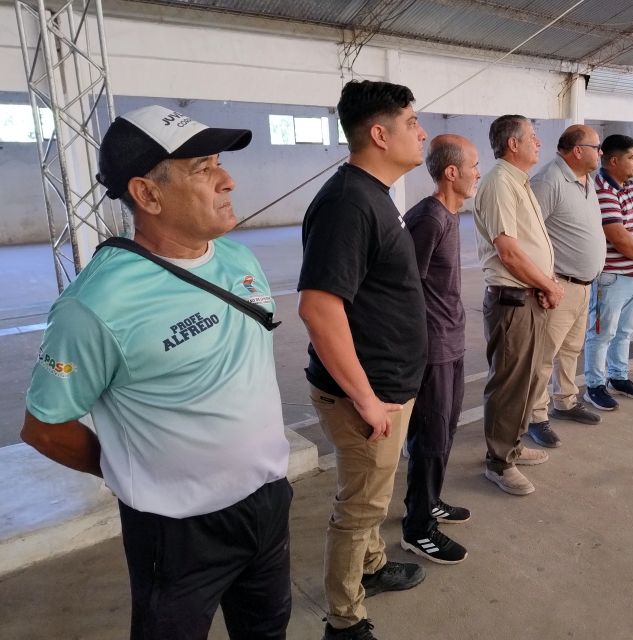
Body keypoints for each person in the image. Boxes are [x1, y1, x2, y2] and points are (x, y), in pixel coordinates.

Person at [21, 105, 293, 639]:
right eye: (202, 168)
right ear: (147, 194)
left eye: (219, 163)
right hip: (176, 532)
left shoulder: (240, 261)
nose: (227, 180)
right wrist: (130, 469)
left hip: (267, 500)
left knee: (267, 630)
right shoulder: (95, 305)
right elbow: (44, 428)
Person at [298, 80, 428, 640]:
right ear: (379, 134)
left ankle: (371, 568)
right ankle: (345, 619)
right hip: (366, 394)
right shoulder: (349, 203)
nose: (422, 133)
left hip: (386, 385)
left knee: (371, 497)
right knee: (359, 509)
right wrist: (367, 400)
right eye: (412, 123)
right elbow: (319, 309)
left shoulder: (373, 194)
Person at [400, 134, 479, 565]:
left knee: (445, 430)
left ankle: (428, 501)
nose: (478, 173)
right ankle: (417, 529)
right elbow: (404, 288)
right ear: (452, 172)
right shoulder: (429, 219)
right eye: (474, 165)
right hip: (432, 348)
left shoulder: (448, 215)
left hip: (451, 340)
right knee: (430, 437)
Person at [474, 114, 564, 496]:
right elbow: (508, 252)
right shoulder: (499, 182)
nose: (539, 142)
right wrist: (548, 285)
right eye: (532, 136)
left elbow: (528, 244)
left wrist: (543, 284)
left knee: (527, 380)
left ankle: (511, 444)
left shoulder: (518, 181)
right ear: (513, 144)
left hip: (529, 296)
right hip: (512, 301)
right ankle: (498, 463)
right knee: (509, 384)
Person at [524, 124, 606, 448]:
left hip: (584, 285)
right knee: (544, 355)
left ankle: (566, 401)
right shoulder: (549, 181)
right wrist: (544, 282)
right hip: (559, 286)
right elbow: (528, 235)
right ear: (577, 151)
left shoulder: (586, 181)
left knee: (571, 349)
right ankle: (536, 416)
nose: (600, 152)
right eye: (596, 147)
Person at [583, 134, 633, 411]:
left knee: (624, 331)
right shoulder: (603, 190)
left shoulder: (631, 187)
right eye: (631, 157)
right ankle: (594, 386)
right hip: (612, 278)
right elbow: (617, 236)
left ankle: (618, 377)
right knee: (601, 333)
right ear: (613, 161)